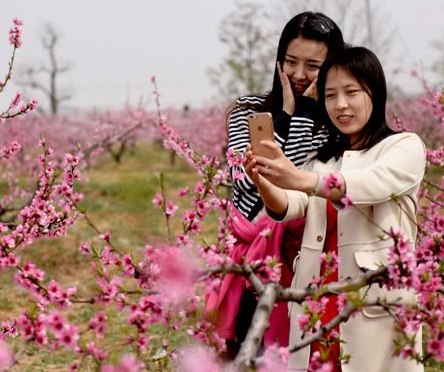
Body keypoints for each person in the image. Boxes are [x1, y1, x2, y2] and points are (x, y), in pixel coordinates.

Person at [244, 46, 425, 371]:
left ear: (376, 92)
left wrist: (298, 177)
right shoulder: (324, 160)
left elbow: (371, 184)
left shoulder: (403, 147)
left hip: (371, 304)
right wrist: (265, 180)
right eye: (330, 95)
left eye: (351, 92)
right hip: (318, 300)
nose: (341, 105)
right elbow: (290, 204)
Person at [204, 11, 346, 358]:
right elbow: (255, 180)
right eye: (290, 62)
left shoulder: (340, 122)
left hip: (306, 261)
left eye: (313, 66)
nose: (298, 75)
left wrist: (306, 111)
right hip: (248, 257)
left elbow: (291, 178)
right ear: (278, 61)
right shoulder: (247, 111)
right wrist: (284, 115)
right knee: (241, 352)